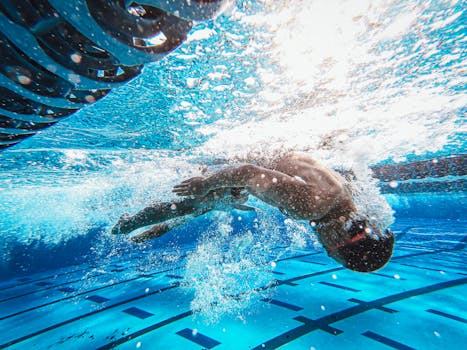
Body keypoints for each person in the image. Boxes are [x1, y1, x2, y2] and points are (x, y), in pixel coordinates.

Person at [111, 152, 394, 272]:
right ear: (343, 238)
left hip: (266, 160)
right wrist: (205, 184)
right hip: (251, 156)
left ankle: (148, 228)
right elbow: (248, 173)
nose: (326, 250)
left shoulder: (347, 202)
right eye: (333, 252)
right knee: (197, 202)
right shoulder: (312, 206)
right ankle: (129, 223)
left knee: (212, 203)